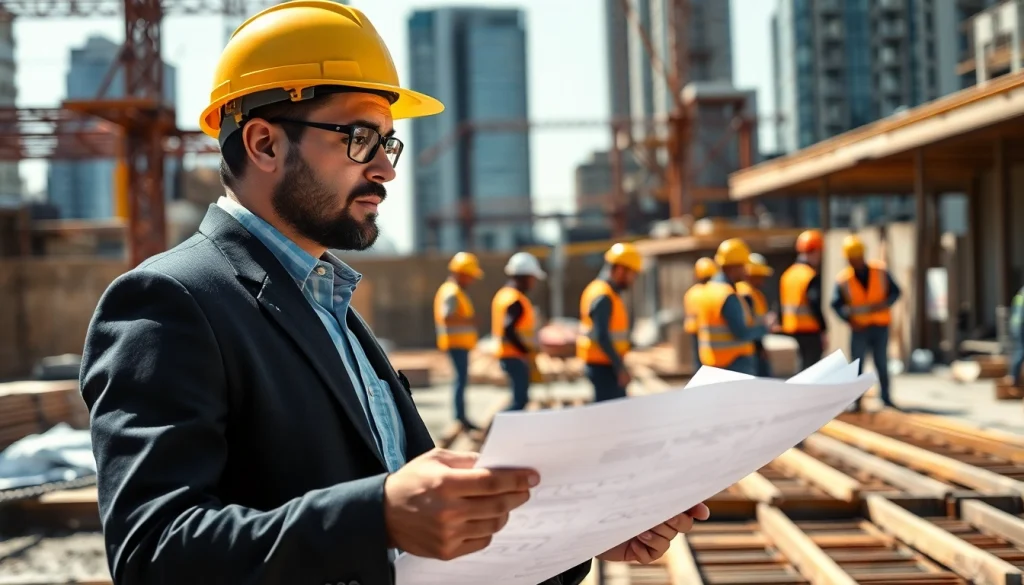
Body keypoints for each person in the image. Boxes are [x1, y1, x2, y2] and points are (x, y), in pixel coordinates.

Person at [77, 4, 709, 584]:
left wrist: (584, 531)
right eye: (360, 139)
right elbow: (150, 553)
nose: (385, 168)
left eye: (388, 142)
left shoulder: (335, 316)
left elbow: (427, 538)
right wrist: (373, 516)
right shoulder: (168, 302)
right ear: (264, 143)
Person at [830, 234, 901, 410]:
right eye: (851, 259)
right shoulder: (843, 279)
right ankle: (856, 401)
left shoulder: (880, 271)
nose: (854, 262)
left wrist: (885, 303)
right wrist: (848, 320)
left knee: (881, 362)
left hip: (880, 326)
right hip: (859, 328)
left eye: (856, 258)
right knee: (857, 365)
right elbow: (835, 304)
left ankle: (885, 397)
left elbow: (896, 292)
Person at [577, 243, 643, 402]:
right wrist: (620, 369)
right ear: (620, 270)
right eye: (632, 274)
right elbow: (603, 337)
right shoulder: (603, 296)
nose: (633, 279)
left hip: (603, 364)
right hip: (604, 367)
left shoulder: (602, 291)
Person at [696, 239, 772, 375]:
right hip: (735, 362)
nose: (745, 270)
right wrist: (765, 328)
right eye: (743, 266)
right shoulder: (727, 295)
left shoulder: (710, 289)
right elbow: (741, 333)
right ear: (733, 267)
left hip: (714, 361)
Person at [434, 251, 484, 430]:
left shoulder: (454, 291)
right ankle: (460, 416)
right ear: (462, 273)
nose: (471, 280)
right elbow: (447, 317)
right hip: (456, 343)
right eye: (469, 276)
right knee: (460, 379)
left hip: (459, 343)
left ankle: (461, 416)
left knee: (461, 379)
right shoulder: (452, 292)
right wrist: (470, 321)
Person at [491, 251, 546, 411]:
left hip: (508, 354)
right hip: (514, 356)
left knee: (519, 398)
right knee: (519, 400)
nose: (534, 283)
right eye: (532, 278)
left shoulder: (504, 294)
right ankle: (498, 427)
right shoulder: (515, 300)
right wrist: (525, 350)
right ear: (525, 276)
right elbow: (508, 329)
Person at [779, 229, 828, 369]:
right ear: (816, 251)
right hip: (810, 330)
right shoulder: (809, 275)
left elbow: (781, 303)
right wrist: (824, 329)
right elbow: (814, 303)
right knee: (811, 371)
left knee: (800, 369)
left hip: (791, 329)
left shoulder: (788, 274)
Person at [736, 253, 775, 377]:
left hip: (756, 347)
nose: (762, 280)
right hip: (749, 350)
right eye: (759, 276)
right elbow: (747, 326)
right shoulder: (744, 294)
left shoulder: (755, 294)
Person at [683, 257, 718, 369]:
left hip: (694, 329)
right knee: (706, 361)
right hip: (705, 331)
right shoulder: (710, 292)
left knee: (698, 361)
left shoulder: (691, 292)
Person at [1011, 286, 1024, 387]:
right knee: (1020, 352)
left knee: (1019, 351)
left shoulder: (1021, 291)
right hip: (1021, 326)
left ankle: (1014, 378)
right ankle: (1014, 380)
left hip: (1017, 325)